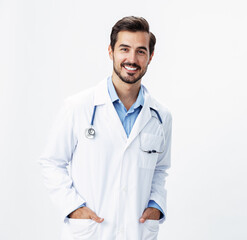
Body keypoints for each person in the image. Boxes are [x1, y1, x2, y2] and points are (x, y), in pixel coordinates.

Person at [39, 16, 172, 240]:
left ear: (150, 57)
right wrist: (73, 207)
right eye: (124, 49)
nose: (132, 59)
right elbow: (51, 162)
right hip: (91, 231)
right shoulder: (78, 107)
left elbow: (160, 169)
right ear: (111, 52)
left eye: (141, 51)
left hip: (137, 231)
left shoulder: (161, 116)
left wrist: (156, 205)